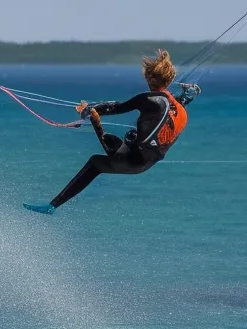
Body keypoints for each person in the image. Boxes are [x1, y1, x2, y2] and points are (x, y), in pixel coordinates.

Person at [23, 50, 201, 215]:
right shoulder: (179, 109)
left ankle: (52, 206)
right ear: (169, 79)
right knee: (119, 142)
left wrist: (89, 111)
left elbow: (116, 107)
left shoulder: (149, 99)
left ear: (148, 77)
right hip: (147, 162)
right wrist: (187, 96)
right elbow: (173, 109)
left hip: (135, 160)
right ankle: (53, 205)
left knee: (96, 162)